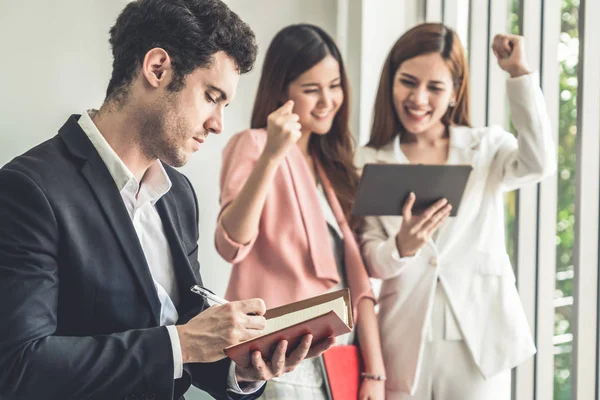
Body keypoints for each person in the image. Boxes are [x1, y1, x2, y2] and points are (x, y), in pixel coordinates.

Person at [0, 2, 333, 399]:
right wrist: (184, 343)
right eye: (212, 96)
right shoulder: (28, 189)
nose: (218, 124)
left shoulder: (180, 196)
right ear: (157, 68)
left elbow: (191, 332)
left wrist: (240, 367)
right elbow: (18, 367)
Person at [356, 23, 555, 400]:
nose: (418, 98)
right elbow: (371, 260)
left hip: (480, 341)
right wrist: (401, 245)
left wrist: (519, 74)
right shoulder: (368, 162)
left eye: (435, 87)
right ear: (391, 82)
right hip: (403, 343)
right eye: (408, 82)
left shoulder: (485, 148)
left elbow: (539, 163)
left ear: (454, 93)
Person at [214, 24, 386, 400]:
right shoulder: (253, 145)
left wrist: (375, 372)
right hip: (280, 358)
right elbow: (230, 244)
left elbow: (357, 283)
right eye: (311, 89)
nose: (327, 100)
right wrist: (272, 155)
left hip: (338, 359)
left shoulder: (334, 167)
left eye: (335, 85)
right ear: (282, 91)